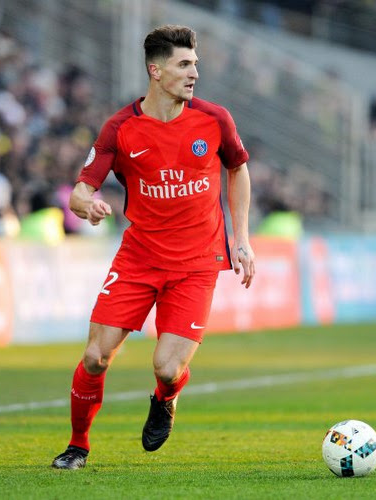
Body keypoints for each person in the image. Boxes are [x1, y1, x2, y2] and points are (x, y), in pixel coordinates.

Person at [51, 25, 255, 470]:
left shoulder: (214, 119)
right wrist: (88, 204)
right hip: (139, 258)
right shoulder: (121, 128)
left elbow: (238, 169)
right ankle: (78, 445)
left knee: (166, 367)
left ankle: (165, 398)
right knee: (95, 355)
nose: (194, 73)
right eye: (185, 64)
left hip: (197, 264)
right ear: (155, 70)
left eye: (195, 64)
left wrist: (241, 240)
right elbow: (79, 192)